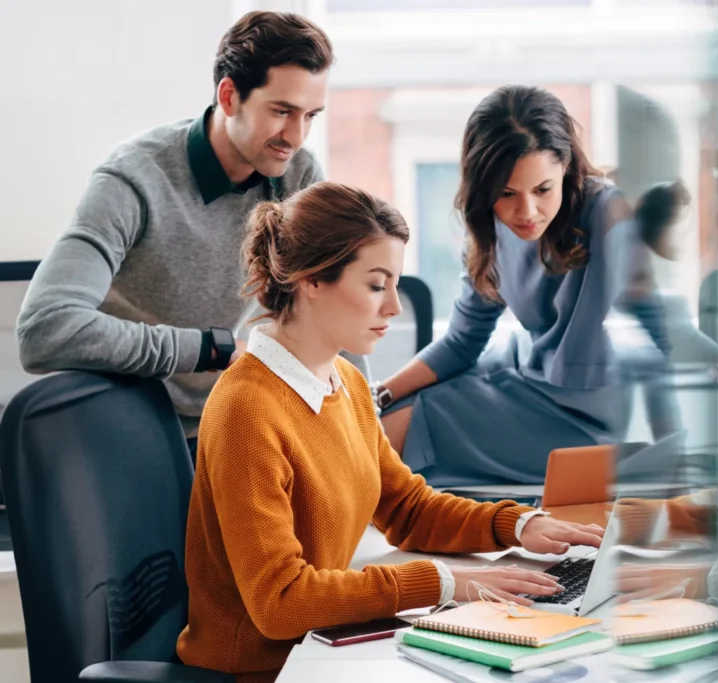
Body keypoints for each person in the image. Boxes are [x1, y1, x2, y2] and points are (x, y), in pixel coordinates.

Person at [176, 181, 605, 683]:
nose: (395, 307)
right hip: (264, 671)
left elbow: (407, 508)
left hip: (327, 647)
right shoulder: (246, 410)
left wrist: (516, 525)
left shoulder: (345, 381)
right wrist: (444, 583)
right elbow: (281, 601)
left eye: (395, 284)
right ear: (312, 280)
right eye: (377, 285)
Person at [14, 11, 368, 458]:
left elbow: (333, 305)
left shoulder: (297, 172)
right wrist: (212, 349)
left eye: (311, 116)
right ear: (229, 96)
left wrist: (366, 441)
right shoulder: (134, 179)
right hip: (131, 429)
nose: (296, 136)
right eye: (282, 111)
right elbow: (46, 328)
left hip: (237, 422)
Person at [374, 85, 673, 487]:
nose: (526, 212)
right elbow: (462, 342)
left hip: (581, 414)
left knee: (391, 436)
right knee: (383, 417)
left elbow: (659, 333)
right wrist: (378, 395)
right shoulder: (490, 229)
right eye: (506, 193)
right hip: (521, 371)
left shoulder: (606, 213)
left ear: (566, 166)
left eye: (543, 189)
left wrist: (675, 445)